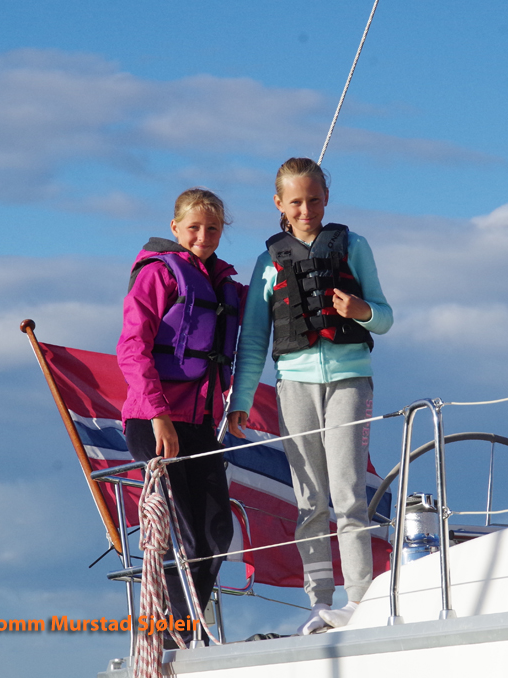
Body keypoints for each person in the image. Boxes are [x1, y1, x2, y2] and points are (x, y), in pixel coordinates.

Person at [226, 158, 393, 635]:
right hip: (294, 385)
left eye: (314, 200)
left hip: (350, 381)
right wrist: (241, 400)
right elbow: (253, 339)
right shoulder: (267, 263)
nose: (306, 210)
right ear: (279, 204)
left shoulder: (355, 247)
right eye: (296, 202)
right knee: (310, 499)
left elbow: (384, 316)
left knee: (348, 494)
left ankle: (359, 599)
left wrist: (361, 311)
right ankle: (320, 602)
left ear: (327, 198)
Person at [116, 188, 243, 645]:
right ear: (175, 228)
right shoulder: (159, 274)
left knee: (215, 533)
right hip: (154, 422)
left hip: (200, 426)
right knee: (182, 533)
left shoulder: (226, 286)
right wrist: (158, 415)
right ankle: (170, 639)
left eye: (213, 229)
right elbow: (132, 348)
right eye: (194, 227)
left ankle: (180, 634)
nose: (203, 236)